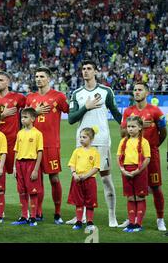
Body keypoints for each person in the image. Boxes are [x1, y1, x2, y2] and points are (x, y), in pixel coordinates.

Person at [67, 59, 122, 227]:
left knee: (105, 179)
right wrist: (86, 107)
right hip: (82, 142)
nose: (86, 71)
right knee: (80, 180)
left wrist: (128, 128)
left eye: (89, 68)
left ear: (96, 71)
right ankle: (81, 216)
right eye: (83, 69)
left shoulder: (106, 91)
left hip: (102, 141)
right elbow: (71, 119)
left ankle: (112, 217)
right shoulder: (76, 93)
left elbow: (116, 113)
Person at [120, 82, 167, 231]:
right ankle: (132, 218)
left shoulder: (156, 111)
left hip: (151, 154)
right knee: (132, 187)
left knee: (156, 187)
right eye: (134, 89)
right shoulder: (128, 111)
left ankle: (160, 219)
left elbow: (163, 131)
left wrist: (154, 146)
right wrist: (139, 128)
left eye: (140, 90)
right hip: (132, 155)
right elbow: (122, 133)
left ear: (146, 92)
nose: (137, 92)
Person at [26, 66, 69, 224]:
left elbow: (71, 112)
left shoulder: (58, 96)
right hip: (32, 144)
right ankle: (38, 211)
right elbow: (23, 119)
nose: (38, 79)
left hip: (51, 144)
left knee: (54, 179)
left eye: (42, 76)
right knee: (36, 180)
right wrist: (34, 112)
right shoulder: (30, 98)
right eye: (36, 76)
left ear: (49, 79)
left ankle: (58, 213)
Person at [0, 71, 26, 177]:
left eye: (1, 80)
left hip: (13, 142)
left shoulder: (18, 97)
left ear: (8, 82)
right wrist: (2, 115)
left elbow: (29, 110)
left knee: (19, 174)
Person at [117, 116, 151, 233]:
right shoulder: (123, 141)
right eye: (128, 127)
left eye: (133, 126)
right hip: (126, 171)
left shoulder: (144, 142)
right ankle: (131, 223)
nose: (130, 129)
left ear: (140, 127)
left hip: (139, 171)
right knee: (130, 197)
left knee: (140, 197)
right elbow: (118, 156)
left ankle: (138, 224)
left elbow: (147, 159)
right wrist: (122, 169)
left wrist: (138, 171)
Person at [11, 108, 43, 227]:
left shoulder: (37, 134)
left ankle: (33, 217)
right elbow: (16, 150)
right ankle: (24, 216)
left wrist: (35, 169)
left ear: (33, 119)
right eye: (22, 117)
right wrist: (14, 167)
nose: (22, 119)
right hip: (20, 164)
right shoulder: (20, 133)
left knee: (33, 192)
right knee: (22, 191)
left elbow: (40, 152)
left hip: (31, 164)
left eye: (25, 117)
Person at [67, 127, 100, 232]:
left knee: (90, 202)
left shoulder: (95, 152)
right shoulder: (77, 151)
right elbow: (72, 164)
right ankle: (79, 221)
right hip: (77, 180)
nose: (81, 139)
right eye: (80, 137)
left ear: (91, 139)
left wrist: (86, 176)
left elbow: (96, 168)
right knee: (79, 202)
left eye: (84, 137)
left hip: (89, 180)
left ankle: (90, 222)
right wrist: (74, 174)